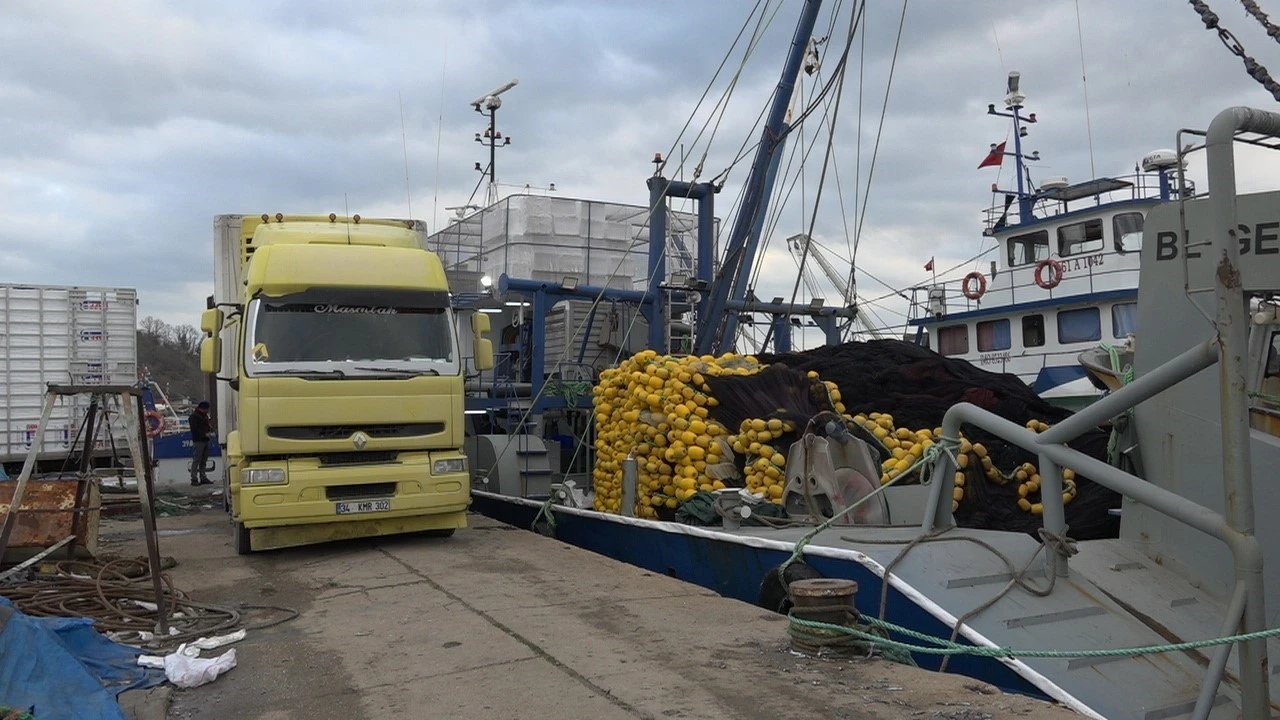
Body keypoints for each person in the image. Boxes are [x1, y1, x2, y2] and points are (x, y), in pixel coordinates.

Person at [189, 401, 214, 486]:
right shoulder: (194, 417)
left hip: (205, 440)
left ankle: (203, 477)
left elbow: (206, 426)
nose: (207, 410)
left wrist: (210, 431)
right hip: (199, 441)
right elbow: (194, 430)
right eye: (206, 409)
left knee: (203, 460)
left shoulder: (204, 416)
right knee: (197, 460)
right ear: (201, 408)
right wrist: (205, 434)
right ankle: (194, 479)